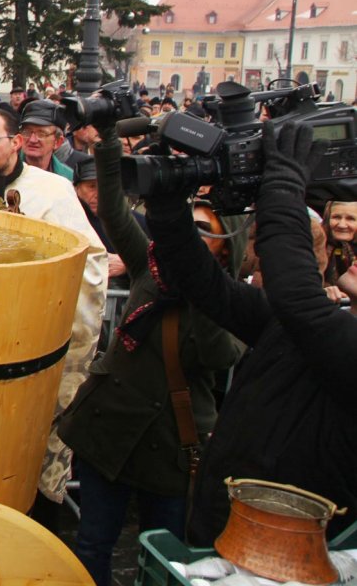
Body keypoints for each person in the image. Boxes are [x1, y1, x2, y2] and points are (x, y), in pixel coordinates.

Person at [142, 122, 357, 547]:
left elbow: (296, 295)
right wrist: (167, 211)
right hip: (222, 527)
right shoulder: (309, 327)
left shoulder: (335, 340)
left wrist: (283, 182)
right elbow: (209, 288)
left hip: (288, 555)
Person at [56, 118, 242, 585]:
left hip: (171, 450)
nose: (192, 241)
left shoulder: (229, 305)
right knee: (93, 543)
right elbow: (116, 212)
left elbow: (221, 356)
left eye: (205, 235)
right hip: (109, 439)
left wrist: (204, 289)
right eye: (188, 232)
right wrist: (107, 144)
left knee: (164, 556)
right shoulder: (149, 268)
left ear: (222, 254)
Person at [0, 108, 107, 526]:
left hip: (26, 333)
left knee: (19, 439)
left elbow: (87, 259)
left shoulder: (53, 191)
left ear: (16, 142)